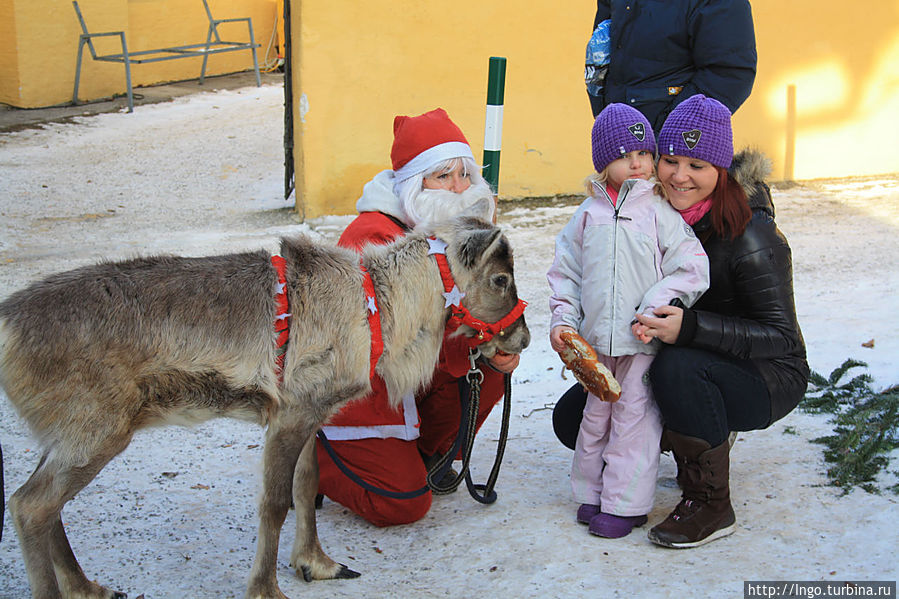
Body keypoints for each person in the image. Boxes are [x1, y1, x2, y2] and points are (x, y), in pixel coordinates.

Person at [553, 94, 809, 548]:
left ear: (722, 170)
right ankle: (654, 453)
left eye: (698, 164)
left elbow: (781, 337)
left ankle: (710, 502)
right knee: (576, 415)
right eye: (670, 160)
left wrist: (688, 328)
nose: (680, 175)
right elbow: (579, 271)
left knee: (677, 371)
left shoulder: (754, 235)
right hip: (669, 350)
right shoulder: (645, 211)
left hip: (766, 374)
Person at [315, 107, 520, 527]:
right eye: (442, 176)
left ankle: (421, 458)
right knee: (403, 506)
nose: (458, 188)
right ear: (414, 181)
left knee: (491, 367)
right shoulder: (373, 235)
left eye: (465, 175)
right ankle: (314, 461)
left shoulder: (460, 232)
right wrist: (469, 342)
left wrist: (489, 340)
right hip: (363, 389)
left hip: (415, 378)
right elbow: (390, 344)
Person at [547, 103, 709, 538]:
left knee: (634, 423)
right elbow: (567, 274)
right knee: (595, 420)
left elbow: (692, 267)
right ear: (604, 163)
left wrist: (654, 310)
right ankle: (592, 495)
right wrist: (563, 321)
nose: (636, 162)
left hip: (641, 343)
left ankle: (627, 505)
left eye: (644, 152)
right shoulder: (586, 216)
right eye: (623, 155)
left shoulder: (659, 212)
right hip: (597, 346)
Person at [586, 0, 757, 135]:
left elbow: (729, 74)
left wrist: (669, 132)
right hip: (620, 137)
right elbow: (600, 50)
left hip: (674, 152)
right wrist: (605, 120)